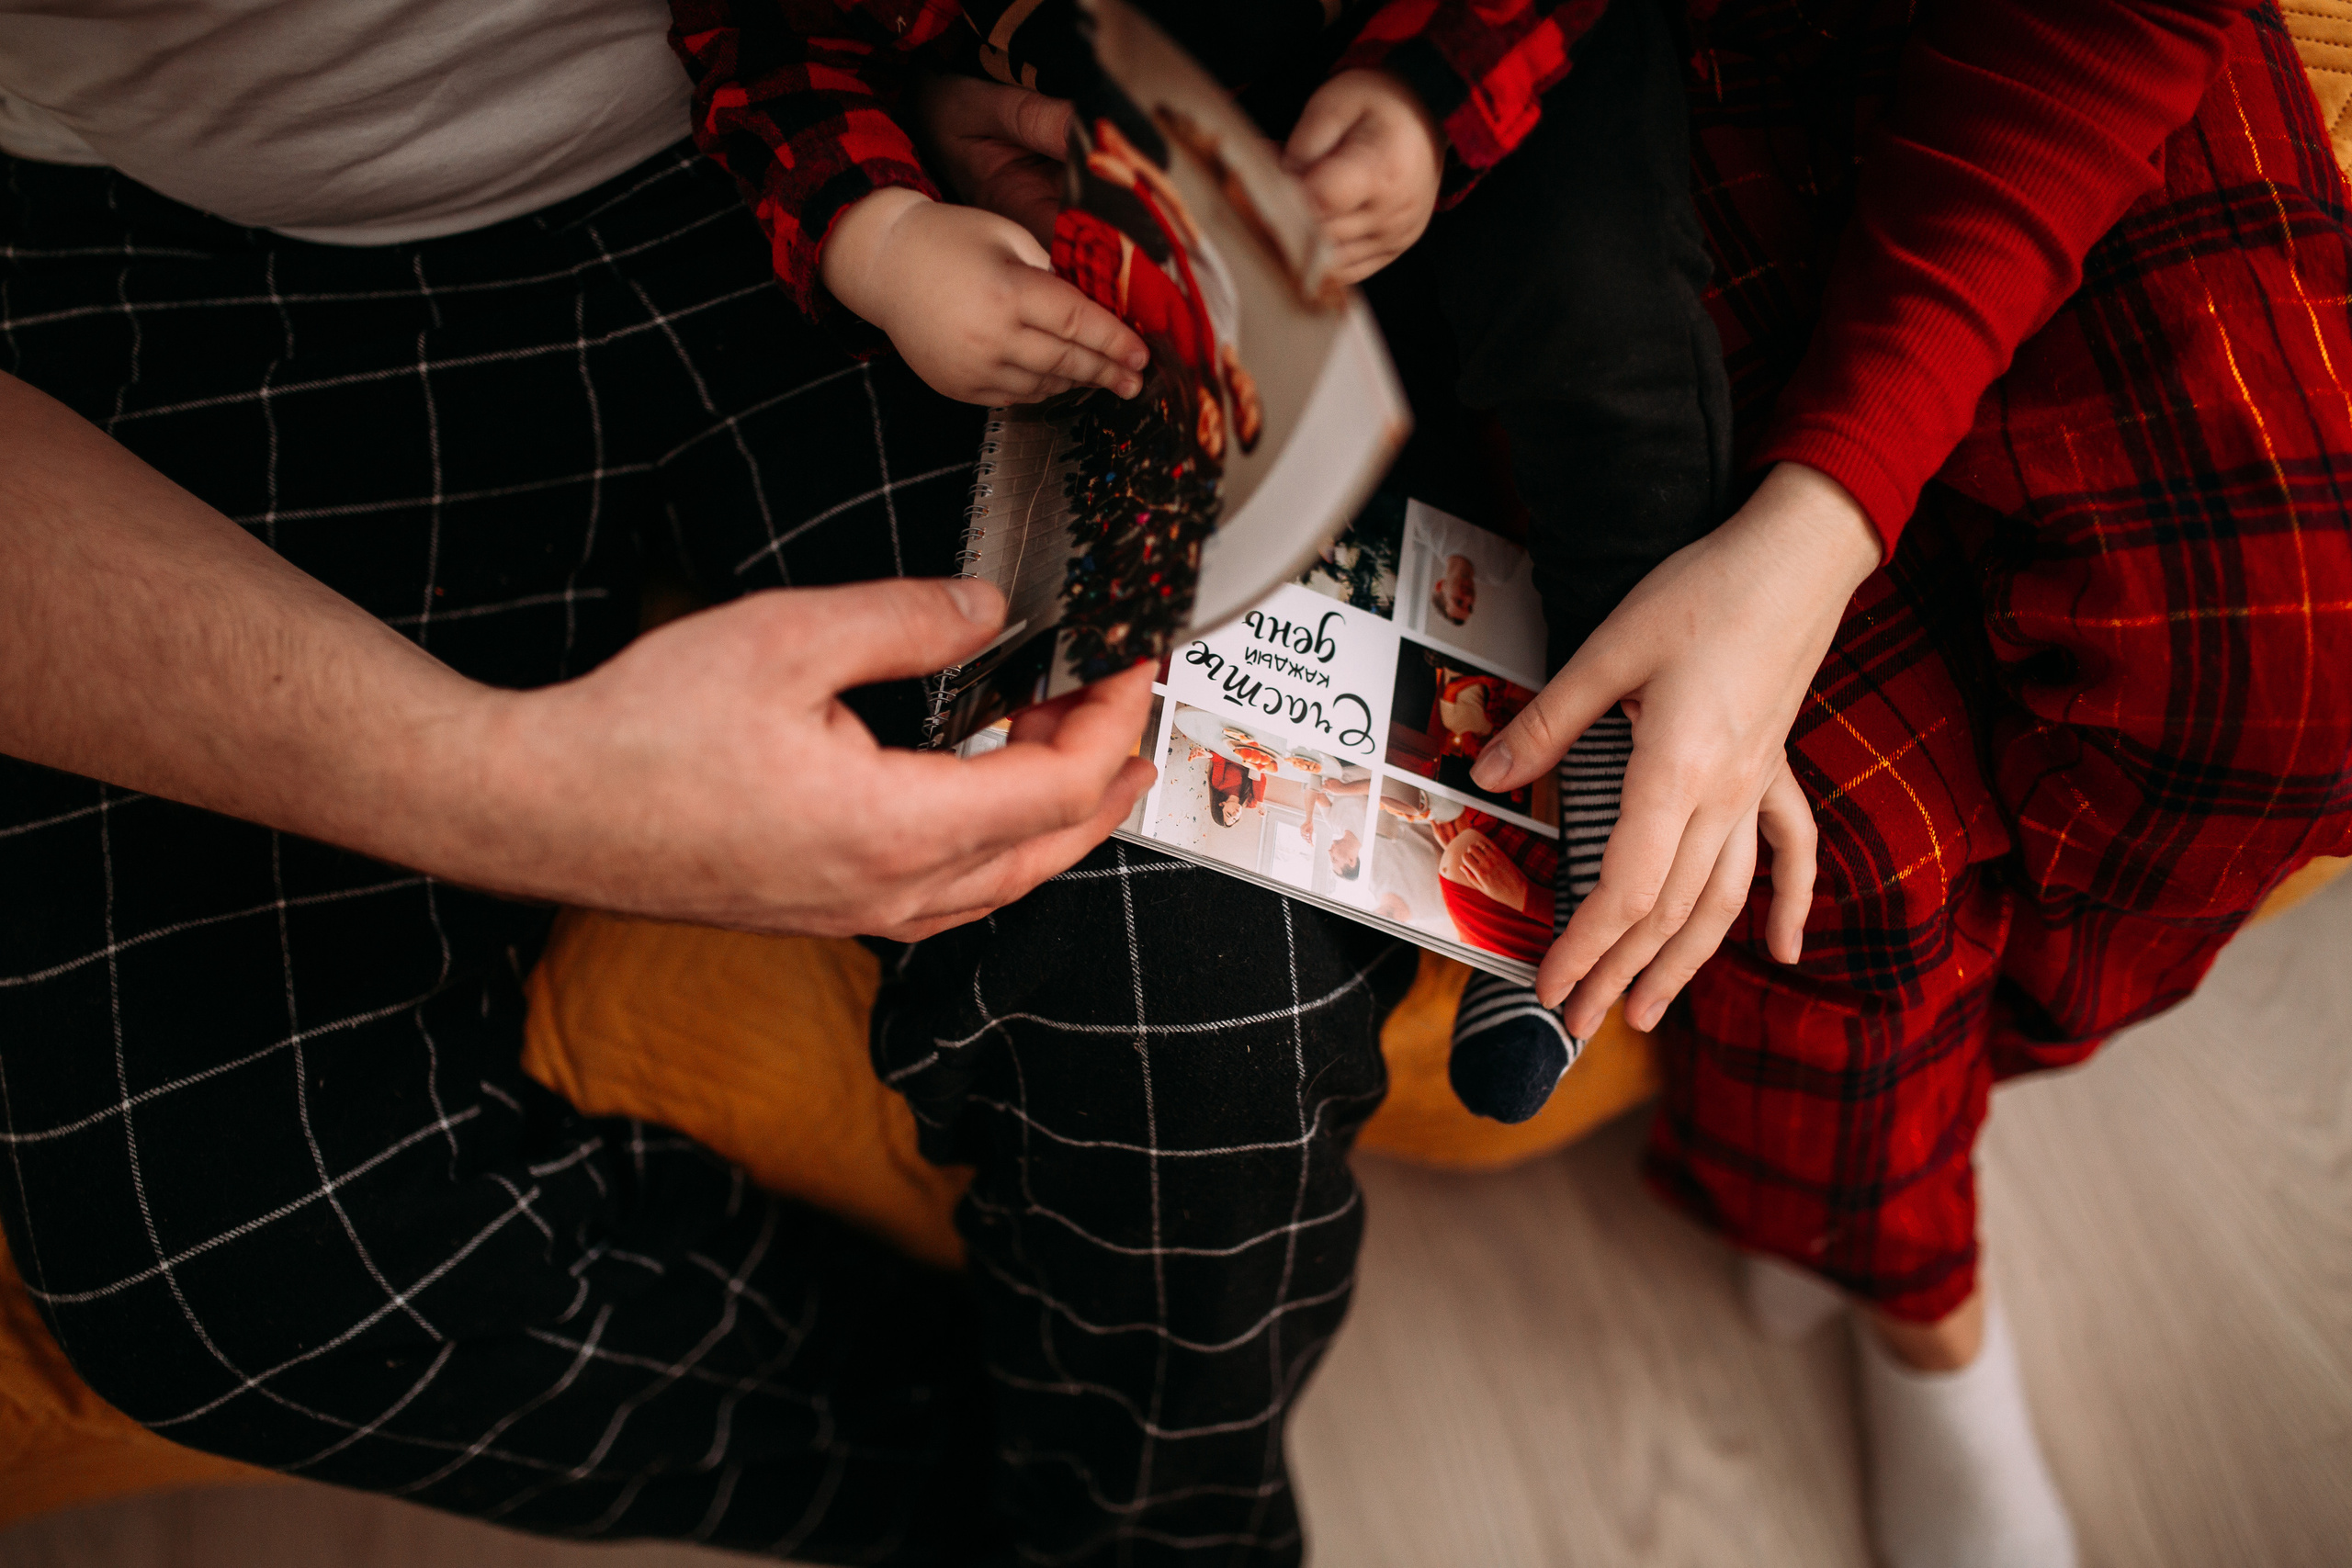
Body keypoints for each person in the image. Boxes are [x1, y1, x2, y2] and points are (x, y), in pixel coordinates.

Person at [0, 5, 1423, 1564]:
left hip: (807, 112)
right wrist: (482, 785)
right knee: (225, 1250)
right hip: (166, 258)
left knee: (1210, 981)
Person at [1461, 4, 2352, 1566]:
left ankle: (1877, 1160)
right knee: (1834, 854)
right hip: (1588, 77)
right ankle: (1914, 1281)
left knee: (2299, 656)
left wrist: (1826, 527)